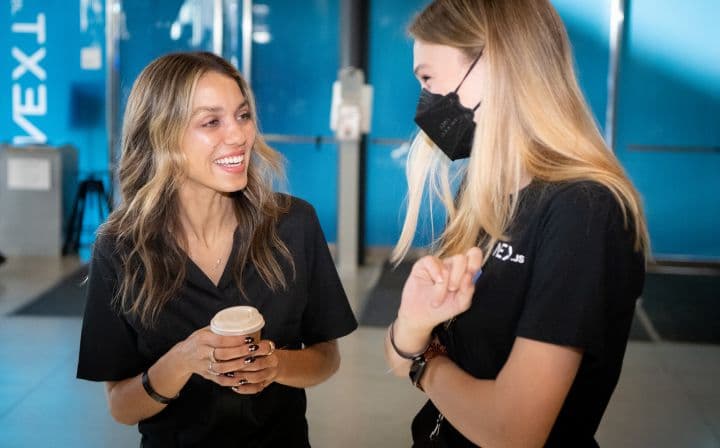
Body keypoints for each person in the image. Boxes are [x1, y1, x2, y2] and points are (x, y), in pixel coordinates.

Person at [384, 1, 648, 447]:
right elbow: (396, 353)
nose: (425, 101)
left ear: (499, 64)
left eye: (428, 78)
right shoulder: (482, 190)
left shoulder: (584, 210)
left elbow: (513, 433)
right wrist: (414, 320)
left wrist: (424, 361)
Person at [77, 51, 357, 447]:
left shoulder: (293, 225)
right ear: (161, 135)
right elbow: (122, 407)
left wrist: (276, 364)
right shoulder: (121, 247)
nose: (239, 135)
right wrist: (180, 362)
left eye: (243, 115)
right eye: (211, 122)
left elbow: (326, 357)